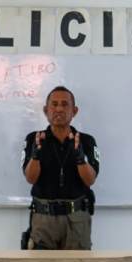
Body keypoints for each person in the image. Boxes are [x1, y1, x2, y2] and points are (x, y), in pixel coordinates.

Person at [21, 86, 101, 250]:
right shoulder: (34, 139)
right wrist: (36, 156)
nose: (59, 108)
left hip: (77, 218)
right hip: (43, 218)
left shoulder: (86, 141)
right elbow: (30, 178)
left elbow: (90, 179)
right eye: (54, 104)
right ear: (45, 110)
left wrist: (80, 158)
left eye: (65, 104)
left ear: (74, 110)